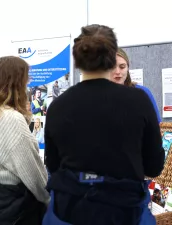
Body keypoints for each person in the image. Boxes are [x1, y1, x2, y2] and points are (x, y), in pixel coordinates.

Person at [43, 24, 164, 225]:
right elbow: (154, 165)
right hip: (125, 211)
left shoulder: (57, 107)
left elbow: (53, 166)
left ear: (77, 60)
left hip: (70, 211)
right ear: (111, 58)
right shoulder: (139, 100)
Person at [0, 56, 49, 225]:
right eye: (26, 82)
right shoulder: (10, 118)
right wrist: (47, 199)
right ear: (17, 83)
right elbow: (32, 173)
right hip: (11, 206)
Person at [111, 48, 161, 122]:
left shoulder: (143, 93)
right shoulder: (98, 95)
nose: (118, 72)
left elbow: (157, 125)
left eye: (122, 67)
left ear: (128, 68)